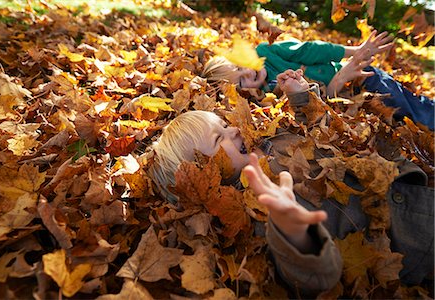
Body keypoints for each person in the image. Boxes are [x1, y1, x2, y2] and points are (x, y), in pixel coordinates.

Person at [149, 69, 434, 295]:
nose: (234, 129)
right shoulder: (260, 210)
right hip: (414, 236)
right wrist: (295, 232)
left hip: (408, 181)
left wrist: (301, 98)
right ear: (204, 178)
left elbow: (318, 135)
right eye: (218, 138)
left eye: (224, 125)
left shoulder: (267, 144)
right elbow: (317, 276)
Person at [201, 30, 435, 130]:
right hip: (343, 94)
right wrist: (338, 82)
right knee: (397, 117)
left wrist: (355, 52)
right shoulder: (269, 95)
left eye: (242, 67)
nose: (248, 74)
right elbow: (318, 102)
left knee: (404, 102)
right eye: (241, 82)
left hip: (354, 74)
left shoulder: (267, 52)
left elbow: (312, 50)